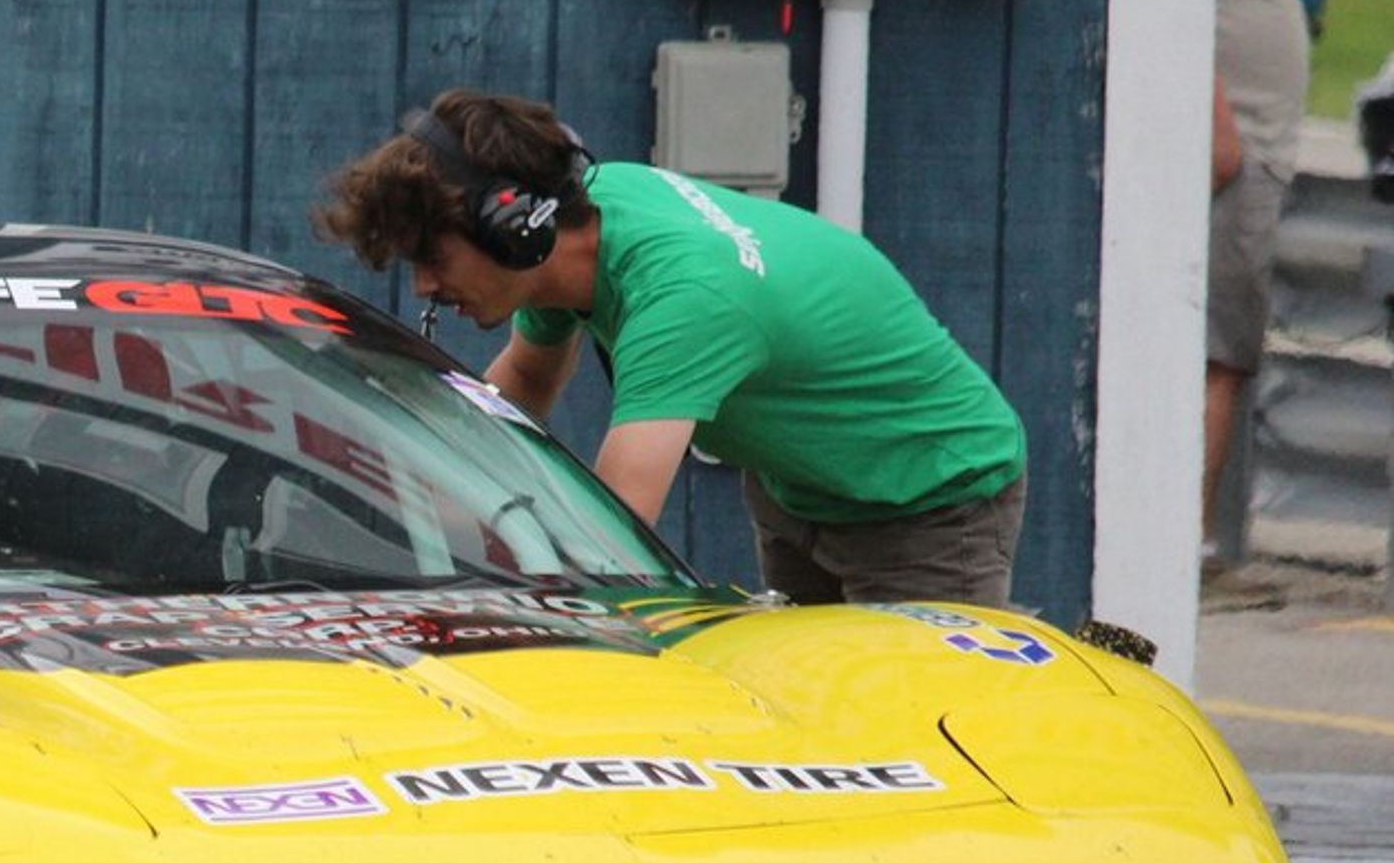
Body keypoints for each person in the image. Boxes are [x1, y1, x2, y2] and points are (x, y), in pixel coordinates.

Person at [313, 89, 1030, 606]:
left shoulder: (684, 299)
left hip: (930, 501)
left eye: (432, 257)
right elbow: (524, 384)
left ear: (516, 229)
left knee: (904, 741)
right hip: (800, 487)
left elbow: (613, 534)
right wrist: (412, 487)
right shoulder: (588, 226)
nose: (425, 287)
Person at [1206, 0, 1314, 558]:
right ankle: (1182, 557)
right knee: (1216, 357)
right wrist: (1218, 131)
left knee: (1229, 352)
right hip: (1230, 149)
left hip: (1256, 145)